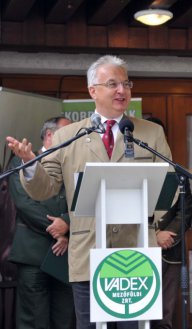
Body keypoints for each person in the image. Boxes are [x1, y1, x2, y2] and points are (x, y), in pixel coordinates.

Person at [6, 55, 172, 329]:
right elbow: (44, 187)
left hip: (137, 252)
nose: (122, 90)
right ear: (92, 90)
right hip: (89, 251)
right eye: (113, 84)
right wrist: (28, 163)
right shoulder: (67, 135)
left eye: (126, 84)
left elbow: (168, 187)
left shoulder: (150, 133)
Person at [8, 116, 74, 329]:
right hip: (34, 253)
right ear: (49, 135)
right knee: (33, 318)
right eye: (66, 133)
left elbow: (83, 199)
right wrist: (56, 230)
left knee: (65, 317)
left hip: (67, 255)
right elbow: (25, 203)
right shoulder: (22, 160)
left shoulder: (70, 163)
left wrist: (66, 224)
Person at [145, 117, 192, 329]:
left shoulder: (177, 174)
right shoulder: (126, 170)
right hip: (138, 252)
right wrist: (152, 235)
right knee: (138, 313)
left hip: (170, 252)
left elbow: (186, 211)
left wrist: (167, 235)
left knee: (164, 315)